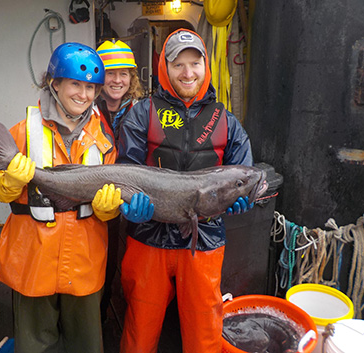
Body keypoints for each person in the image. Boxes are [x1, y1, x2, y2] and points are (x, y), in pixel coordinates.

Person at [0, 42, 142, 353]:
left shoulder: (104, 138)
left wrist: (110, 210)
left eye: (91, 88)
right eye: (75, 85)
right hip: (33, 261)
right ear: (54, 84)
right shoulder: (22, 131)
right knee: (35, 346)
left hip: (84, 263)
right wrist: (11, 181)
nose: (83, 95)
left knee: (85, 345)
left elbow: (111, 202)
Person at [116, 29, 255, 352]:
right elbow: (125, 169)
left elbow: (247, 175)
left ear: (206, 66)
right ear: (164, 68)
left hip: (203, 242)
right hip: (148, 237)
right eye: (178, 64)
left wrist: (241, 201)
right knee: (140, 332)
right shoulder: (142, 113)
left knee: (204, 335)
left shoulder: (227, 121)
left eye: (195, 63)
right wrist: (128, 205)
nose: (188, 73)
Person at [95, 39, 145, 323]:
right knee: (103, 261)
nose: (117, 80)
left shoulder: (144, 111)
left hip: (136, 202)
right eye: (110, 73)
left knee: (132, 267)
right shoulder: (85, 110)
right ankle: (99, 318)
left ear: (132, 77)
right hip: (97, 201)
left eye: (124, 73)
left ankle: (129, 315)